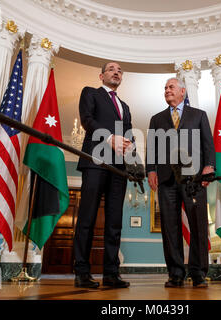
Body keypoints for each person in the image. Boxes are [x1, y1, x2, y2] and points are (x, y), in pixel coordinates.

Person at [146, 78, 215, 288]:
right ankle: (176, 273)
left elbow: (208, 144)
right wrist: (150, 170)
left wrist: (209, 166)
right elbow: (151, 148)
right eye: (165, 87)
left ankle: (198, 273)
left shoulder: (199, 115)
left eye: (171, 87)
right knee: (169, 227)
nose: (167, 90)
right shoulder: (156, 119)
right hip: (166, 179)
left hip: (193, 177)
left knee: (198, 225)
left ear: (183, 92)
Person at [73, 62, 133, 288]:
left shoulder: (125, 106)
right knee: (87, 218)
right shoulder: (90, 93)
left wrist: (130, 145)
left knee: (114, 222)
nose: (116, 72)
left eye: (119, 71)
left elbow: (128, 130)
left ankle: (111, 274)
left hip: (119, 168)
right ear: (101, 75)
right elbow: (87, 120)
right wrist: (110, 139)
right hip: (95, 162)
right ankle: (81, 272)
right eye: (111, 69)